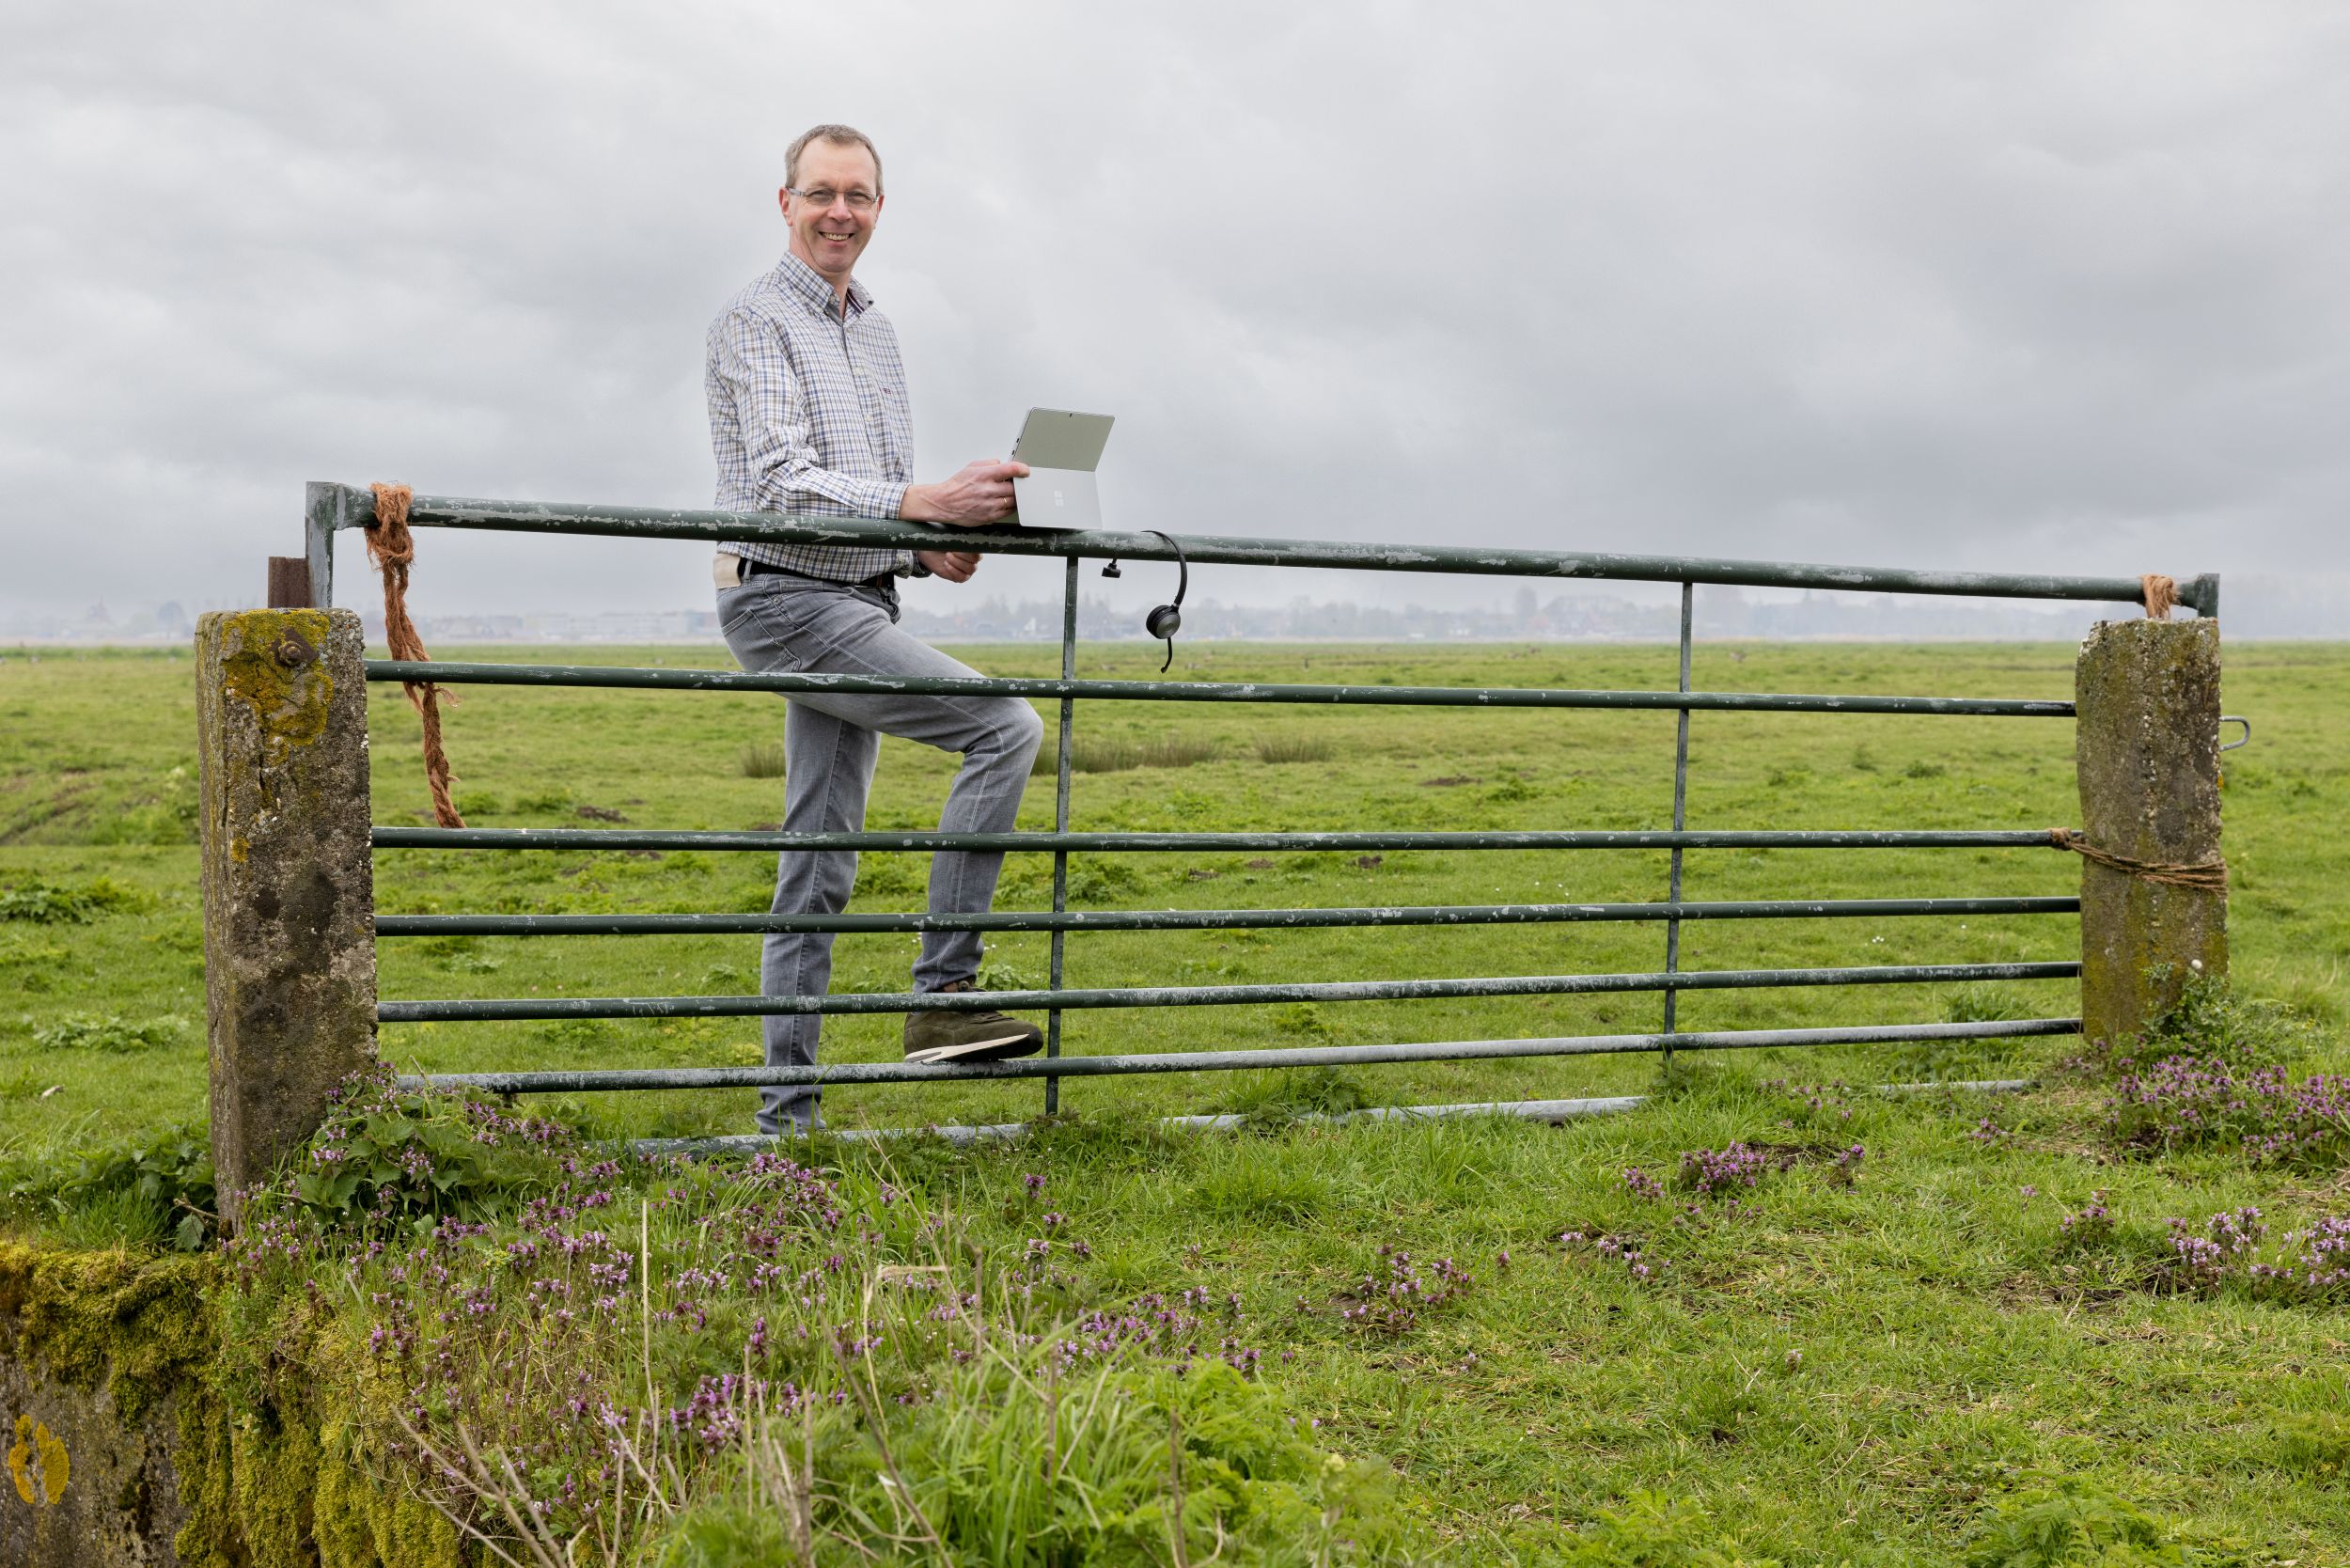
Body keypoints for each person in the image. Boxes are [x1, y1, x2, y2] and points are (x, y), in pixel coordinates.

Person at [707, 122, 1048, 1136]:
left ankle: (787, 1124)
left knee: (817, 866)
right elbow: (780, 484)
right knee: (1005, 727)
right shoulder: (755, 320)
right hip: (782, 599)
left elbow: (868, 502)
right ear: (785, 204)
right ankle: (943, 993)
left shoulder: (880, 331)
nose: (839, 212)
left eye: (857, 195)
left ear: (879, 209)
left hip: (856, 598)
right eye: (821, 193)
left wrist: (921, 547)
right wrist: (920, 501)